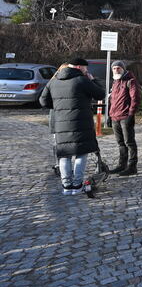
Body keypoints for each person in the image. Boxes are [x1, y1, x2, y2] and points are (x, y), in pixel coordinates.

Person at [39, 57, 105, 195]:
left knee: (64, 155)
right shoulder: (82, 80)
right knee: (81, 153)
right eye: (85, 68)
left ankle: (66, 186)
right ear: (79, 67)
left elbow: (43, 101)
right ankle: (77, 185)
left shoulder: (54, 80)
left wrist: (59, 106)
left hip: (61, 124)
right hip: (81, 123)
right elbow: (100, 94)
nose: (87, 70)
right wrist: (92, 79)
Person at [108, 61, 140, 176]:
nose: (116, 70)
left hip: (125, 116)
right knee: (120, 142)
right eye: (114, 68)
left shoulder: (130, 81)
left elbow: (135, 99)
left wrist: (131, 115)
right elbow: (112, 100)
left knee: (129, 142)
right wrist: (109, 115)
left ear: (123, 69)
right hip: (115, 116)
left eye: (118, 68)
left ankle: (132, 167)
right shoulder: (115, 82)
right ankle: (122, 165)